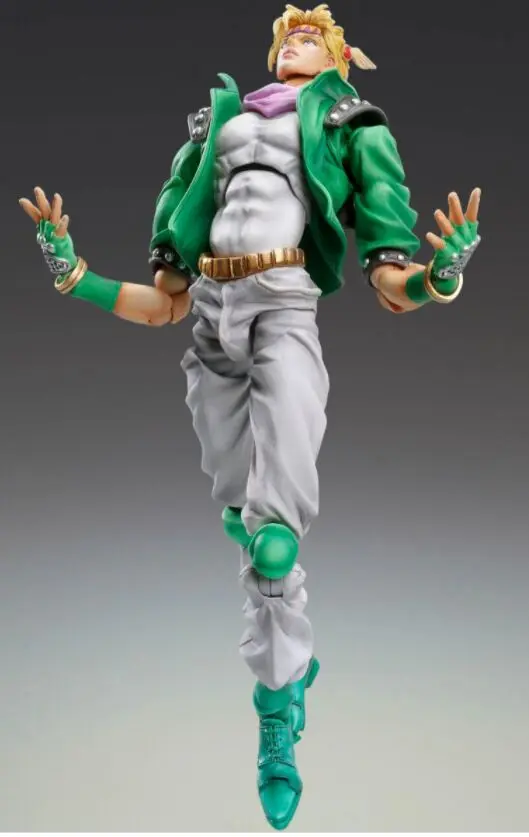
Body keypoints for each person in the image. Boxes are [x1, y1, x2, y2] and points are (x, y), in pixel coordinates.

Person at [19, 3, 481, 829]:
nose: (294, 39)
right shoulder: (214, 125)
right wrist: (74, 275)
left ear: (339, 55)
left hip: (283, 304)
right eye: (286, 34)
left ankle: (274, 727)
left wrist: (439, 275)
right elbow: (163, 300)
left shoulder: (352, 123)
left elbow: (389, 275)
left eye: (312, 35)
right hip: (209, 315)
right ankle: (292, 670)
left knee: (273, 541)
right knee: (243, 523)